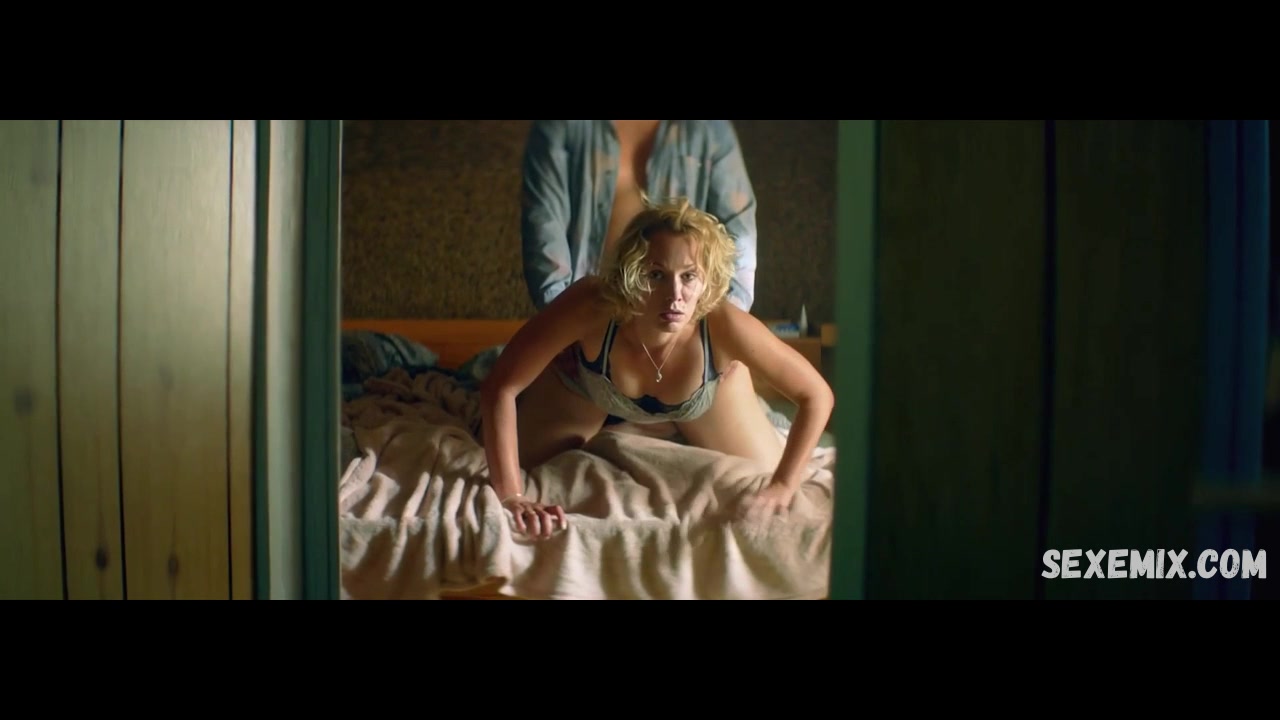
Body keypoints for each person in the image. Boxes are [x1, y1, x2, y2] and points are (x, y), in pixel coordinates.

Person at [481, 197, 833, 540]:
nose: (674, 295)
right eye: (656, 275)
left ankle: (690, 421)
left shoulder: (724, 325)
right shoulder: (593, 304)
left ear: (707, 280)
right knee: (514, 459)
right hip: (590, 389)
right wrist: (511, 496)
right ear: (630, 275)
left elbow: (817, 395)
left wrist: (784, 484)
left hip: (704, 399)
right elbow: (501, 386)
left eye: (689, 276)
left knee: (765, 471)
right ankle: (628, 422)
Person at [521, 120, 758, 313]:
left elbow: (740, 234)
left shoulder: (708, 128)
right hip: (588, 313)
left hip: (682, 321)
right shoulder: (563, 125)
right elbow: (544, 229)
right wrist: (565, 325)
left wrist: (715, 329)